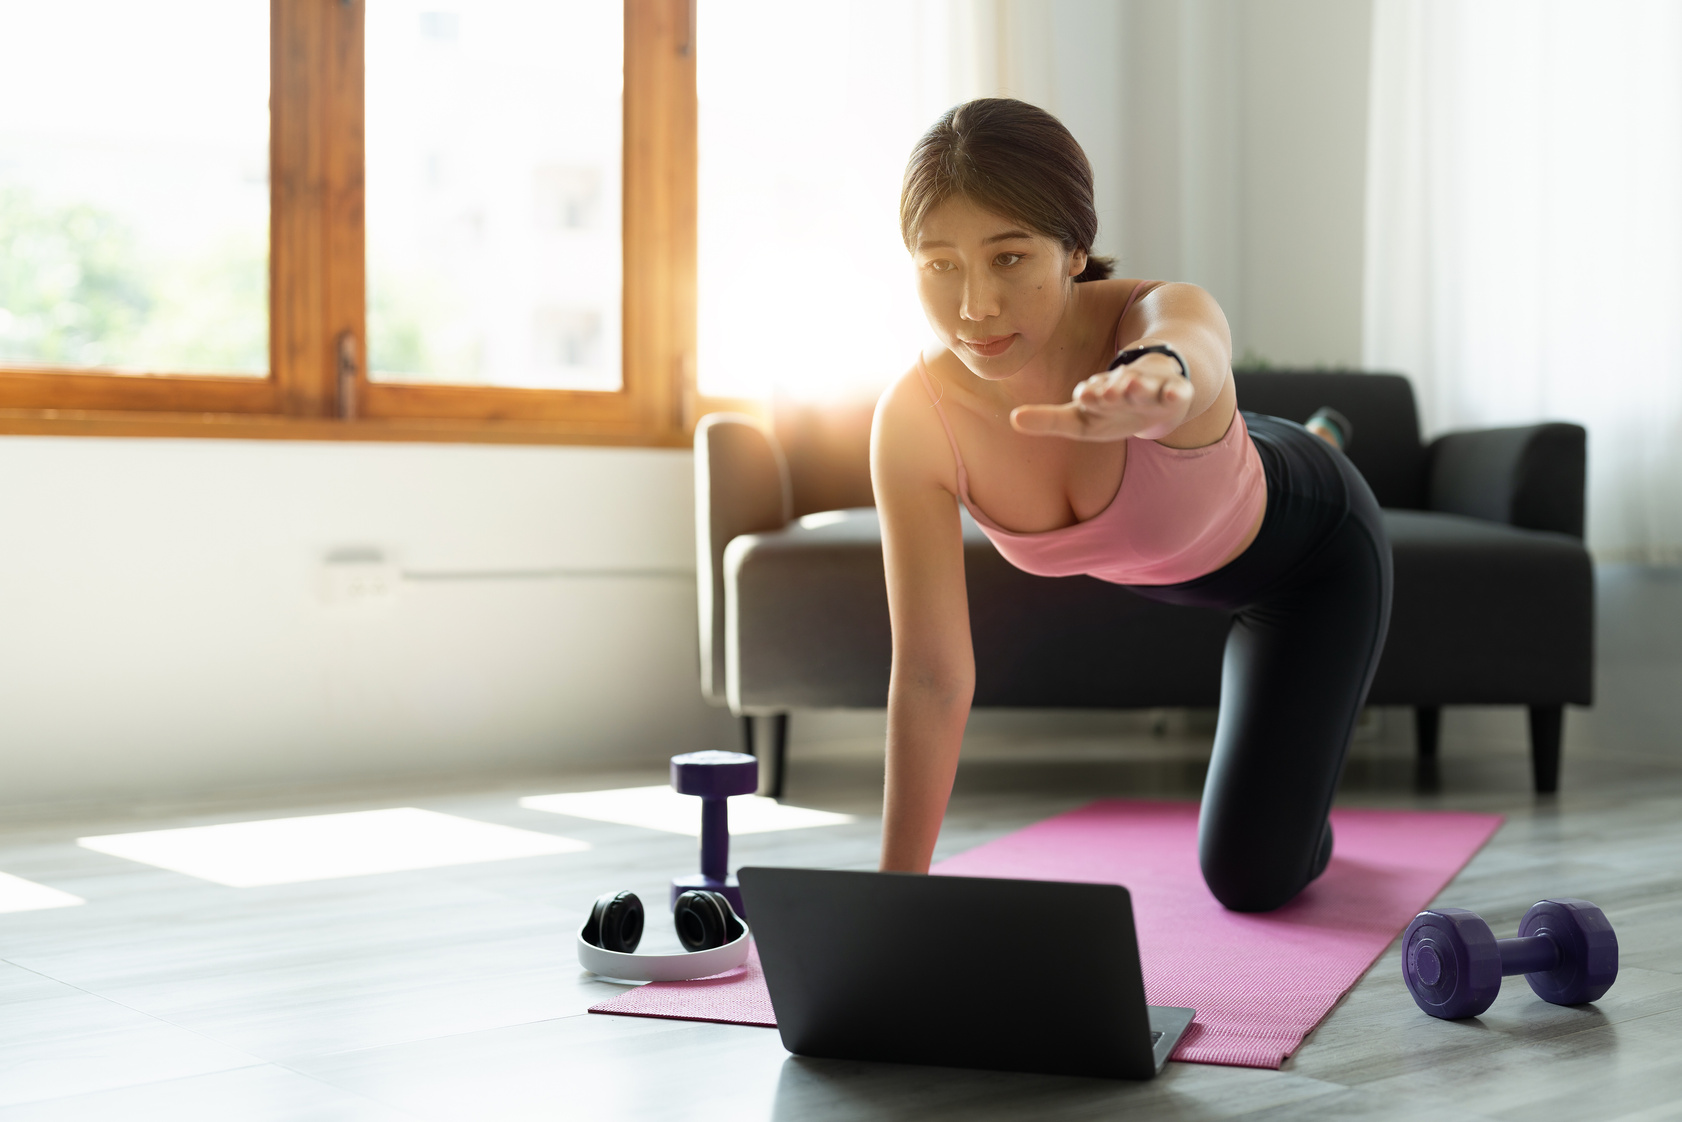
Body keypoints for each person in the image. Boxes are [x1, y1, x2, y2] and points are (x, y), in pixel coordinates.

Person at [871, 98, 1392, 912]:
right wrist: (891, 903)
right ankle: (1304, 432)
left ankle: (1320, 441)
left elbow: (1194, 345)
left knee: (1253, 879)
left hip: (1314, 551)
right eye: (941, 264)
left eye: (1009, 258)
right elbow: (934, 677)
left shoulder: (1155, 323)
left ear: (1075, 248)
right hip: (1193, 532)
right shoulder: (915, 422)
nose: (974, 305)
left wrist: (1161, 380)